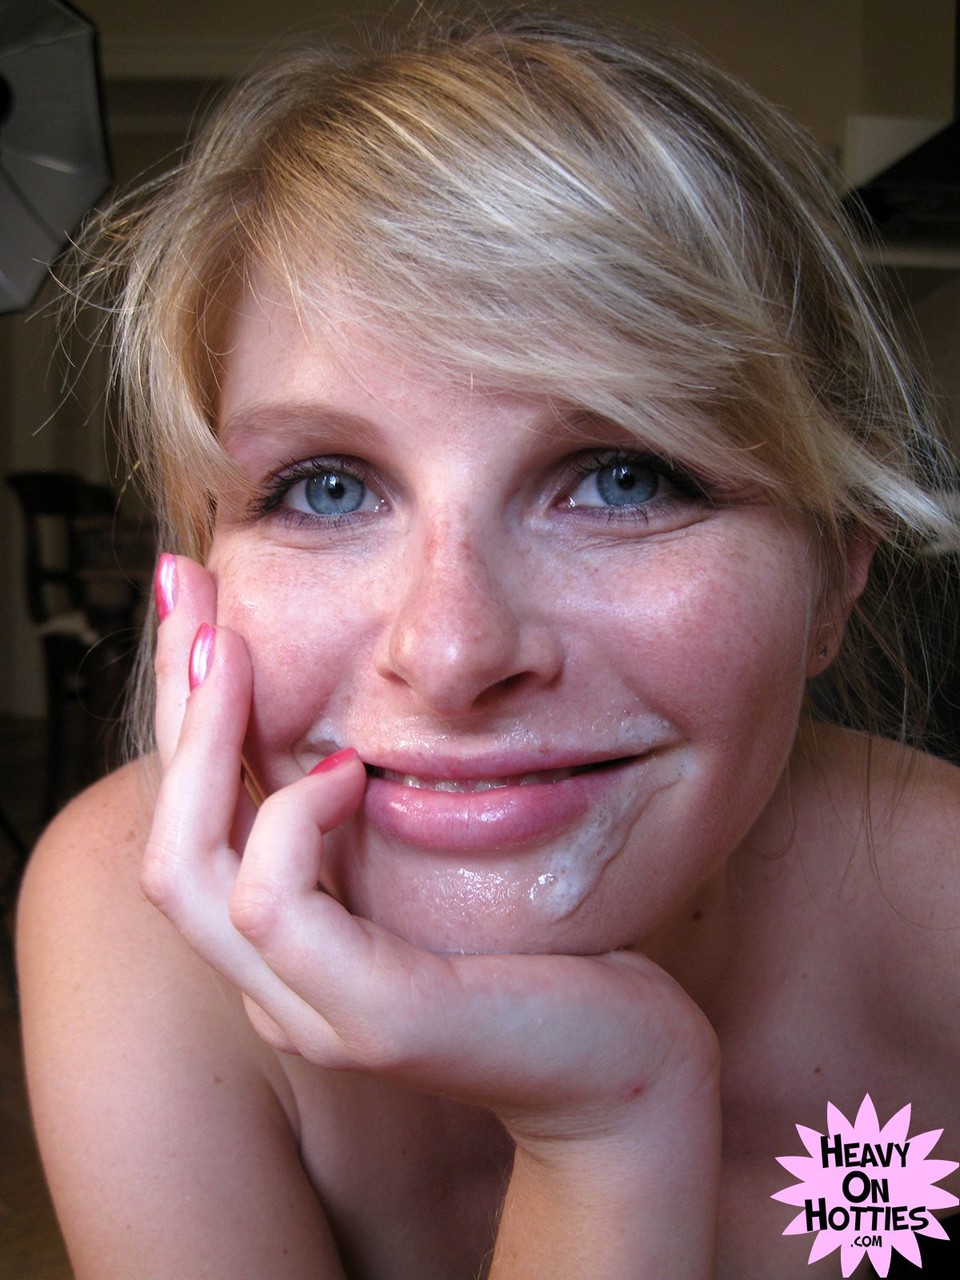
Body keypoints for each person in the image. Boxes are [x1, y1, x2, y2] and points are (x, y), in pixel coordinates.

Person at [16, 8, 960, 1277]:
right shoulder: (125, 928)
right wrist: (608, 1123)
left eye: (625, 476)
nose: (452, 651)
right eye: (325, 487)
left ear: (836, 569)